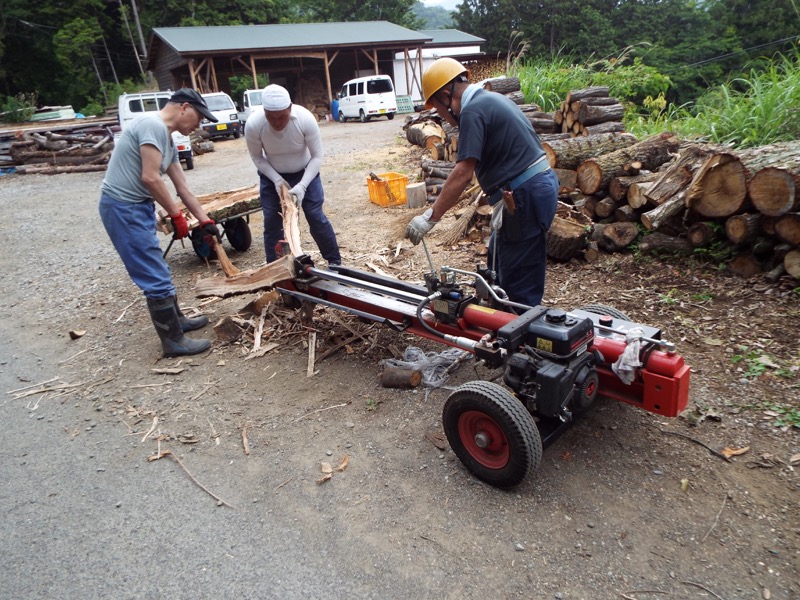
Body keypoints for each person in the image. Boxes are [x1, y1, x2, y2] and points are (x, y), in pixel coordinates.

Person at [405, 58, 559, 308]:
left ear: (446, 95)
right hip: (528, 190)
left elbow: (464, 171)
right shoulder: (490, 100)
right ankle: (499, 324)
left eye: (439, 110)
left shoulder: (474, 110)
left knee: (516, 286)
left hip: (524, 194)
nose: (443, 118)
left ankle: (518, 337)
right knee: (498, 269)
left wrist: (431, 217)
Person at [99, 88, 221, 358]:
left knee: (158, 266)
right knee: (153, 272)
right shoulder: (151, 125)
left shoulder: (166, 139)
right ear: (185, 107)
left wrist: (205, 221)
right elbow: (150, 177)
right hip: (122, 208)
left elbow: (182, 186)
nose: (199, 125)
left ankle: (177, 322)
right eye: (199, 118)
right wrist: (176, 215)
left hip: (137, 207)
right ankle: (173, 341)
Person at [245, 84, 341, 265]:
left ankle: (335, 262)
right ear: (264, 111)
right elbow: (257, 157)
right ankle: (275, 268)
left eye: (282, 116)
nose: (278, 122)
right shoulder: (254, 124)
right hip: (271, 174)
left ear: (290, 108)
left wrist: (303, 185)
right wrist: (276, 179)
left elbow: (317, 156)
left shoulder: (304, 119)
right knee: (272, 221)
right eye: (271, 117)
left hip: (306, 172)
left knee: (315, 215)